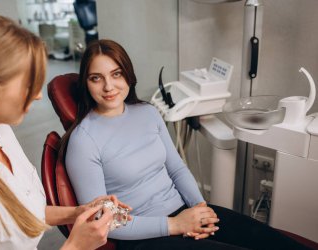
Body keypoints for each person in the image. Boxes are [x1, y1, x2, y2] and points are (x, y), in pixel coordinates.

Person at [63, 39, 310, 250]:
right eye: (96, 78)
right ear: (86, 83)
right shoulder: (83, 141)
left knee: (275, 243)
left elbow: (177, 168)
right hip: (142, 237)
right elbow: (105, 221)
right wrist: (175, 224)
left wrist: (199, 210)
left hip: (184, 211)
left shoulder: (147, 113)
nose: (108, 86)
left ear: (128, 74)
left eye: (116, 74)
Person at [0, 13, 131, 250]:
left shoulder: (1, 132)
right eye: (29, 84)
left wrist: (78, 212)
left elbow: (24, 210)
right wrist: (76, 246)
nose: (38, 95)